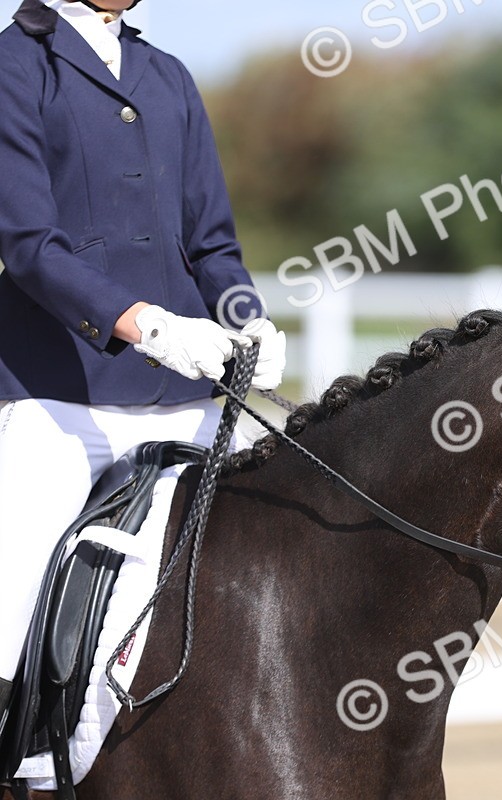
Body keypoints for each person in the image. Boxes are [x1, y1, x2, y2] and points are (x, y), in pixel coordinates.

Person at [0, 0, 286, 734]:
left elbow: (212, 244)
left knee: (291, 540)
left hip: (184, 391)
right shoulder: (13, 65)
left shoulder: (168, 75)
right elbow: (28, 244)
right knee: (9, 603)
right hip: (62, 393)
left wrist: (246, 319)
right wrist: (144, 324)